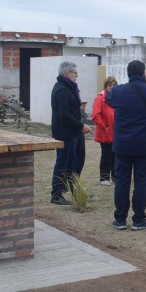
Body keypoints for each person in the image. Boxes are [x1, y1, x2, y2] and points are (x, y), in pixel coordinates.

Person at [106, 61, 146, 231]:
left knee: (121, 182)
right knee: (141, 181)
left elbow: (108, 98)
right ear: (143, 73)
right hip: (143, 145)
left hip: (122, 145)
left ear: (127, 73)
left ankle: (119, 219)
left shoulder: (118, 91)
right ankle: (139, 219)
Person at [50, 61, 93, 206]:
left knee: (73, 162)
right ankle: (56, 194)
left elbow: (68, 110)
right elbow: (64, 115)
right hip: (65, 132)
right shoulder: (62, 89)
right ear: (68, 73)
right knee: (63, 163)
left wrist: (78, 108)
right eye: (75, 74)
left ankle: (76, 191)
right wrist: (81, 126)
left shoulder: (69, 88)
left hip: (71, 132)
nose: (77, 76)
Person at [91, 76, 118, 186]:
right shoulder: (100, 98)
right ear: (106, 86)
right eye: (110, 85)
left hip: (116, 132)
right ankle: (104, 177)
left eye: (114, 85)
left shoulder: (117, 98)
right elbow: (95, 115)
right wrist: (104, 126)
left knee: (116, 155)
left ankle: (115, 177)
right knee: (106, 155)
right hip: (105, 132)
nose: (112, 87)